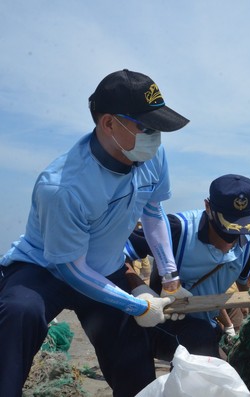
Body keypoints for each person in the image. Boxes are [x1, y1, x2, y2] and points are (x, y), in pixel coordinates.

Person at [0, 69, 190, 396]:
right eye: (146, 126)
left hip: (105, 266)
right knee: (19, 313)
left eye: (159, 126)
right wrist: (138, 305)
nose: (156, 136)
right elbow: (71, 269)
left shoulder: (153, 156)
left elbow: (153, 209)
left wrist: (170, 273)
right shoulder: (62, 187)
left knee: (133, 356)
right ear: (109, 124)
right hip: (45, 268)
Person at [124, 174, 250, 359]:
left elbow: (244, 283)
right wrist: (139, 289)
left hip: (208, 322)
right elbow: (116, 253)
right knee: (202, 344)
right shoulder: (177, 230)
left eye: (241, 229)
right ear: (208, 207)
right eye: (226, 230)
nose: (230, 242)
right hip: (161, 321)